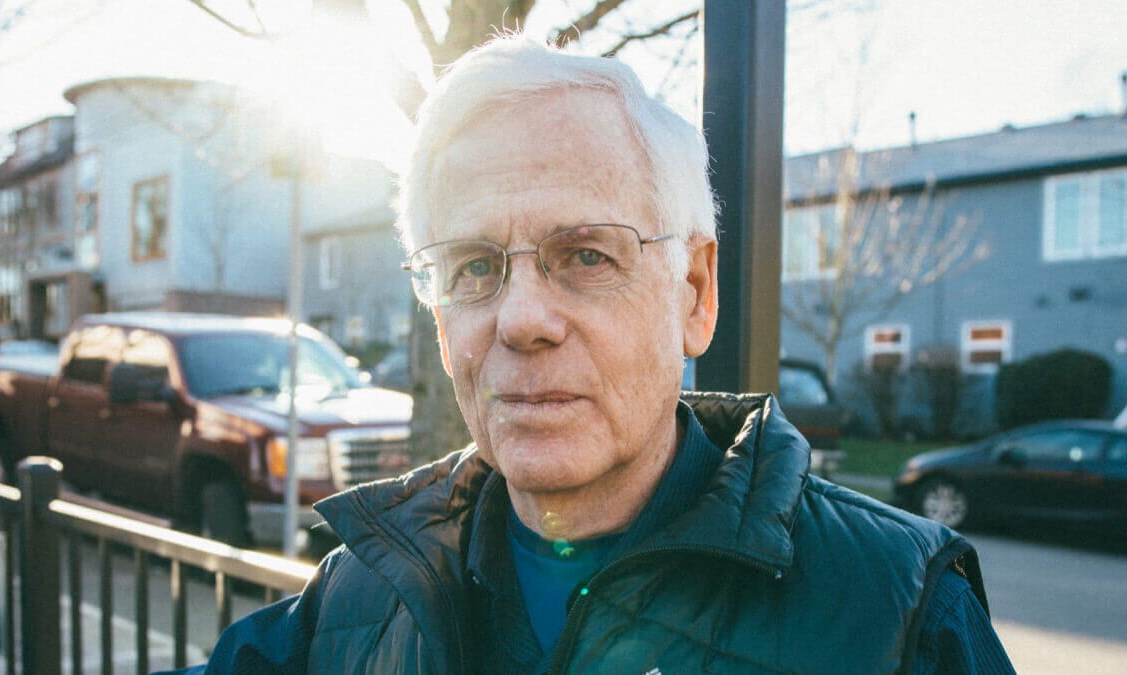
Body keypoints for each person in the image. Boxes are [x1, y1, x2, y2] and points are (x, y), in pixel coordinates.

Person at [183, 35, 1014, 674]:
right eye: (472, 266)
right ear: (438, 320)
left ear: (694, 292)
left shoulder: (902, 614)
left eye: (585, 254)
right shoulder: (355, 599)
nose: (521, 320)